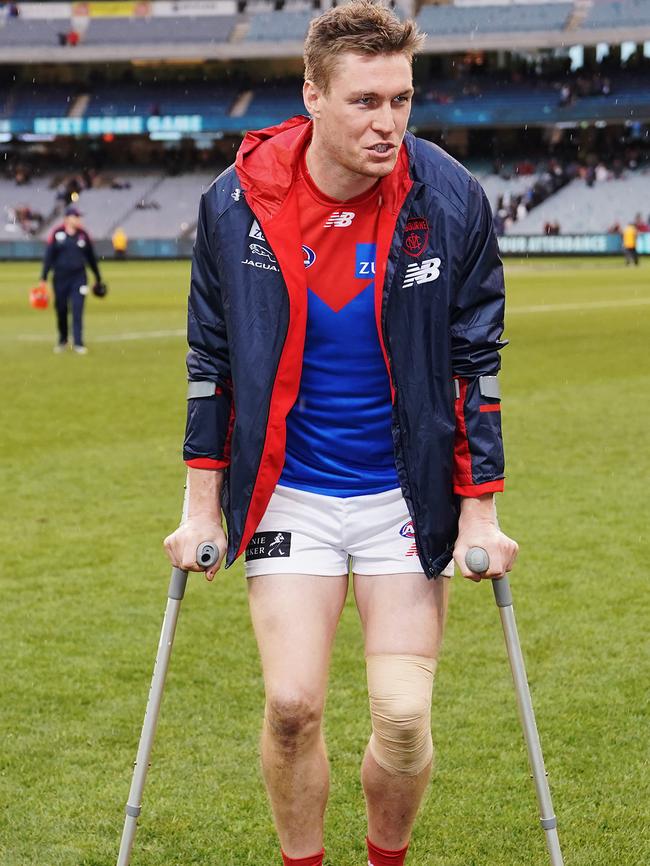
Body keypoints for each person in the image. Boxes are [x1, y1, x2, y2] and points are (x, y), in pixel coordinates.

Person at [164, 3, 518, 865]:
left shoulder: (450, 197)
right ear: (313, 95)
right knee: (292, 708)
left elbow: (476, 367)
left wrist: (479, 514)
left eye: (401, 99)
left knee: (402, 717)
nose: (388, 122)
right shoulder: (234, 202)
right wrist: (200, 508)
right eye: (365, 101)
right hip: (291, 491)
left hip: (406, 489)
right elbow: (210, 363)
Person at [39, 204, 102, 353]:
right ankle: (63, 339)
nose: (79, 219)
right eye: (76, 216)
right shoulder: (57, 234)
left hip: (78, 278)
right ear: (67, 218)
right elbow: (49, 257)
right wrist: (43, 276)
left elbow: (91, 258)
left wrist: (98, 277)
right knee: (61, 309)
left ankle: (78, 342)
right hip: (60, 278)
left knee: (77, 308)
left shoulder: (83, 235)